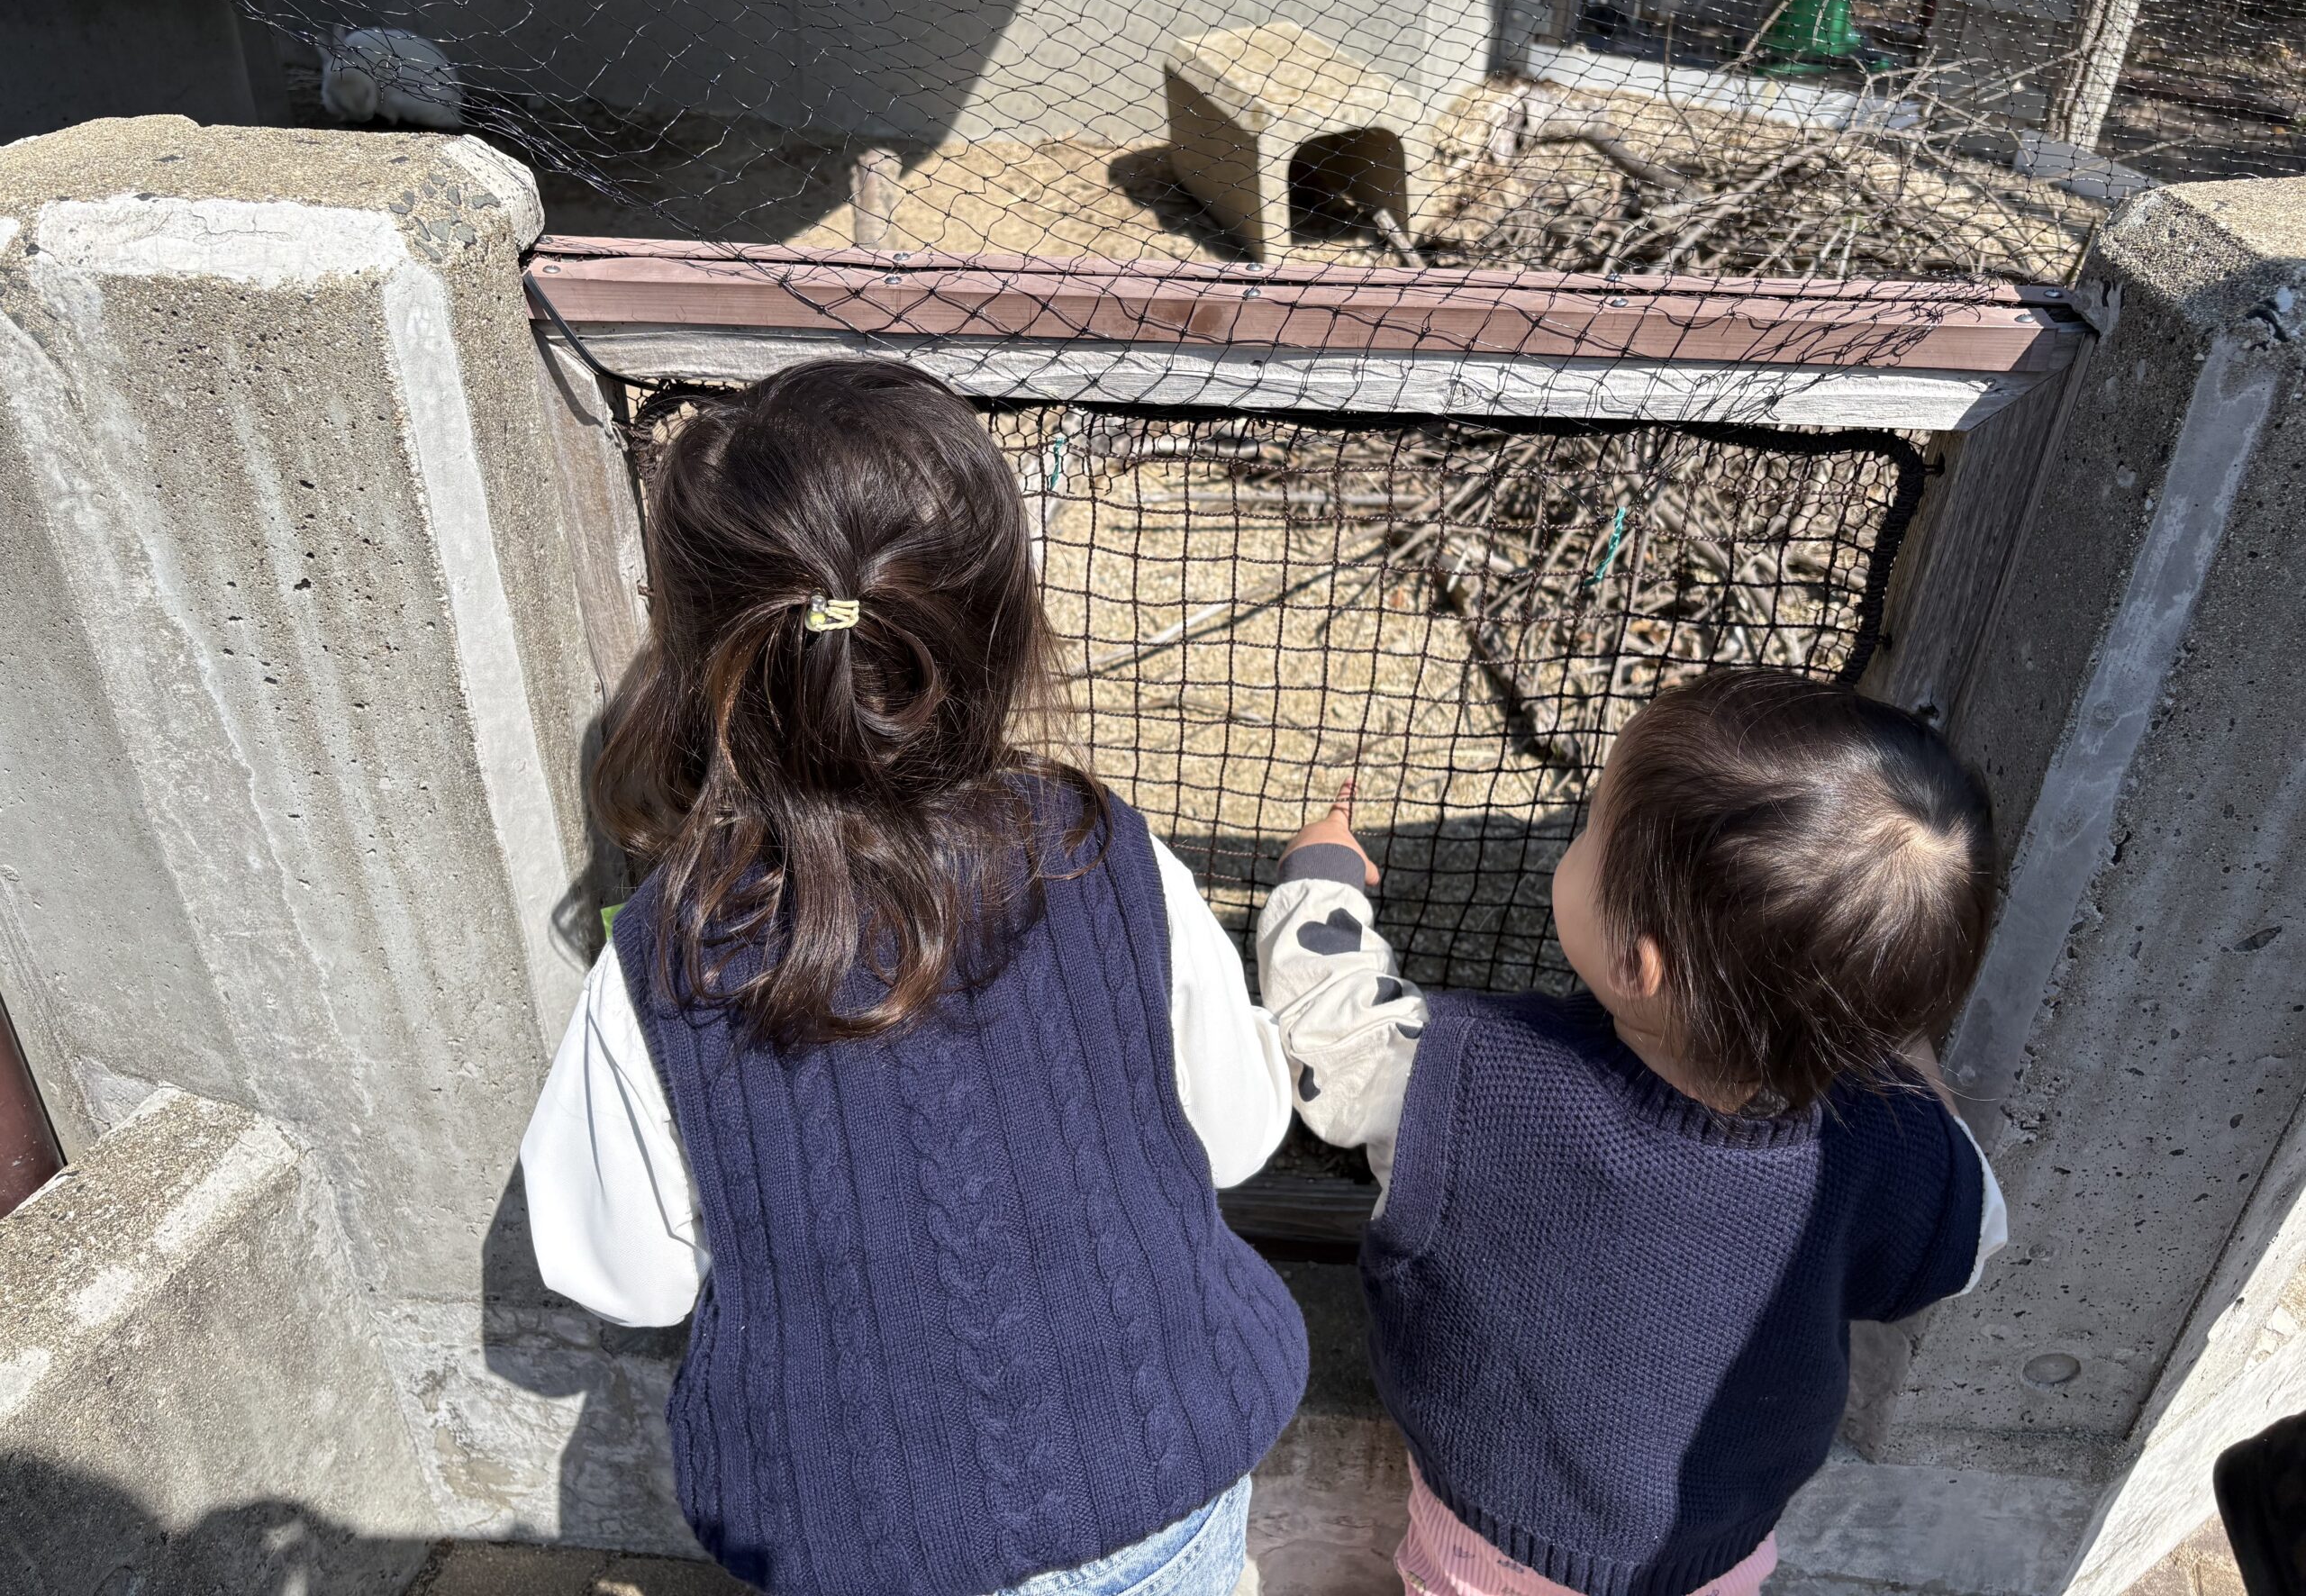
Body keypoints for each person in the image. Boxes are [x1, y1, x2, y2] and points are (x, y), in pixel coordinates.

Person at [520, 359, 1307, 1596]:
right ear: (995, 621)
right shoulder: (1108, 853)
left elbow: (620, 1269)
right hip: (1172, 1479)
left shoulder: (663, 957)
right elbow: (1240, 1130)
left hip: (859, 1540)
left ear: (697, 640)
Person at [1259, 668, 2010, 1596]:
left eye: (1589, 830)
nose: (1572, 843)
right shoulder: (1889, 1144)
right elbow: (1973, 1244)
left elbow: (1331, 1036)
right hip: (1717, 1552)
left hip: (1496, 1542)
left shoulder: (1474, 1076)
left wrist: (1317, 877)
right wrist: (1893, 1048)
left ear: (1634, 961)